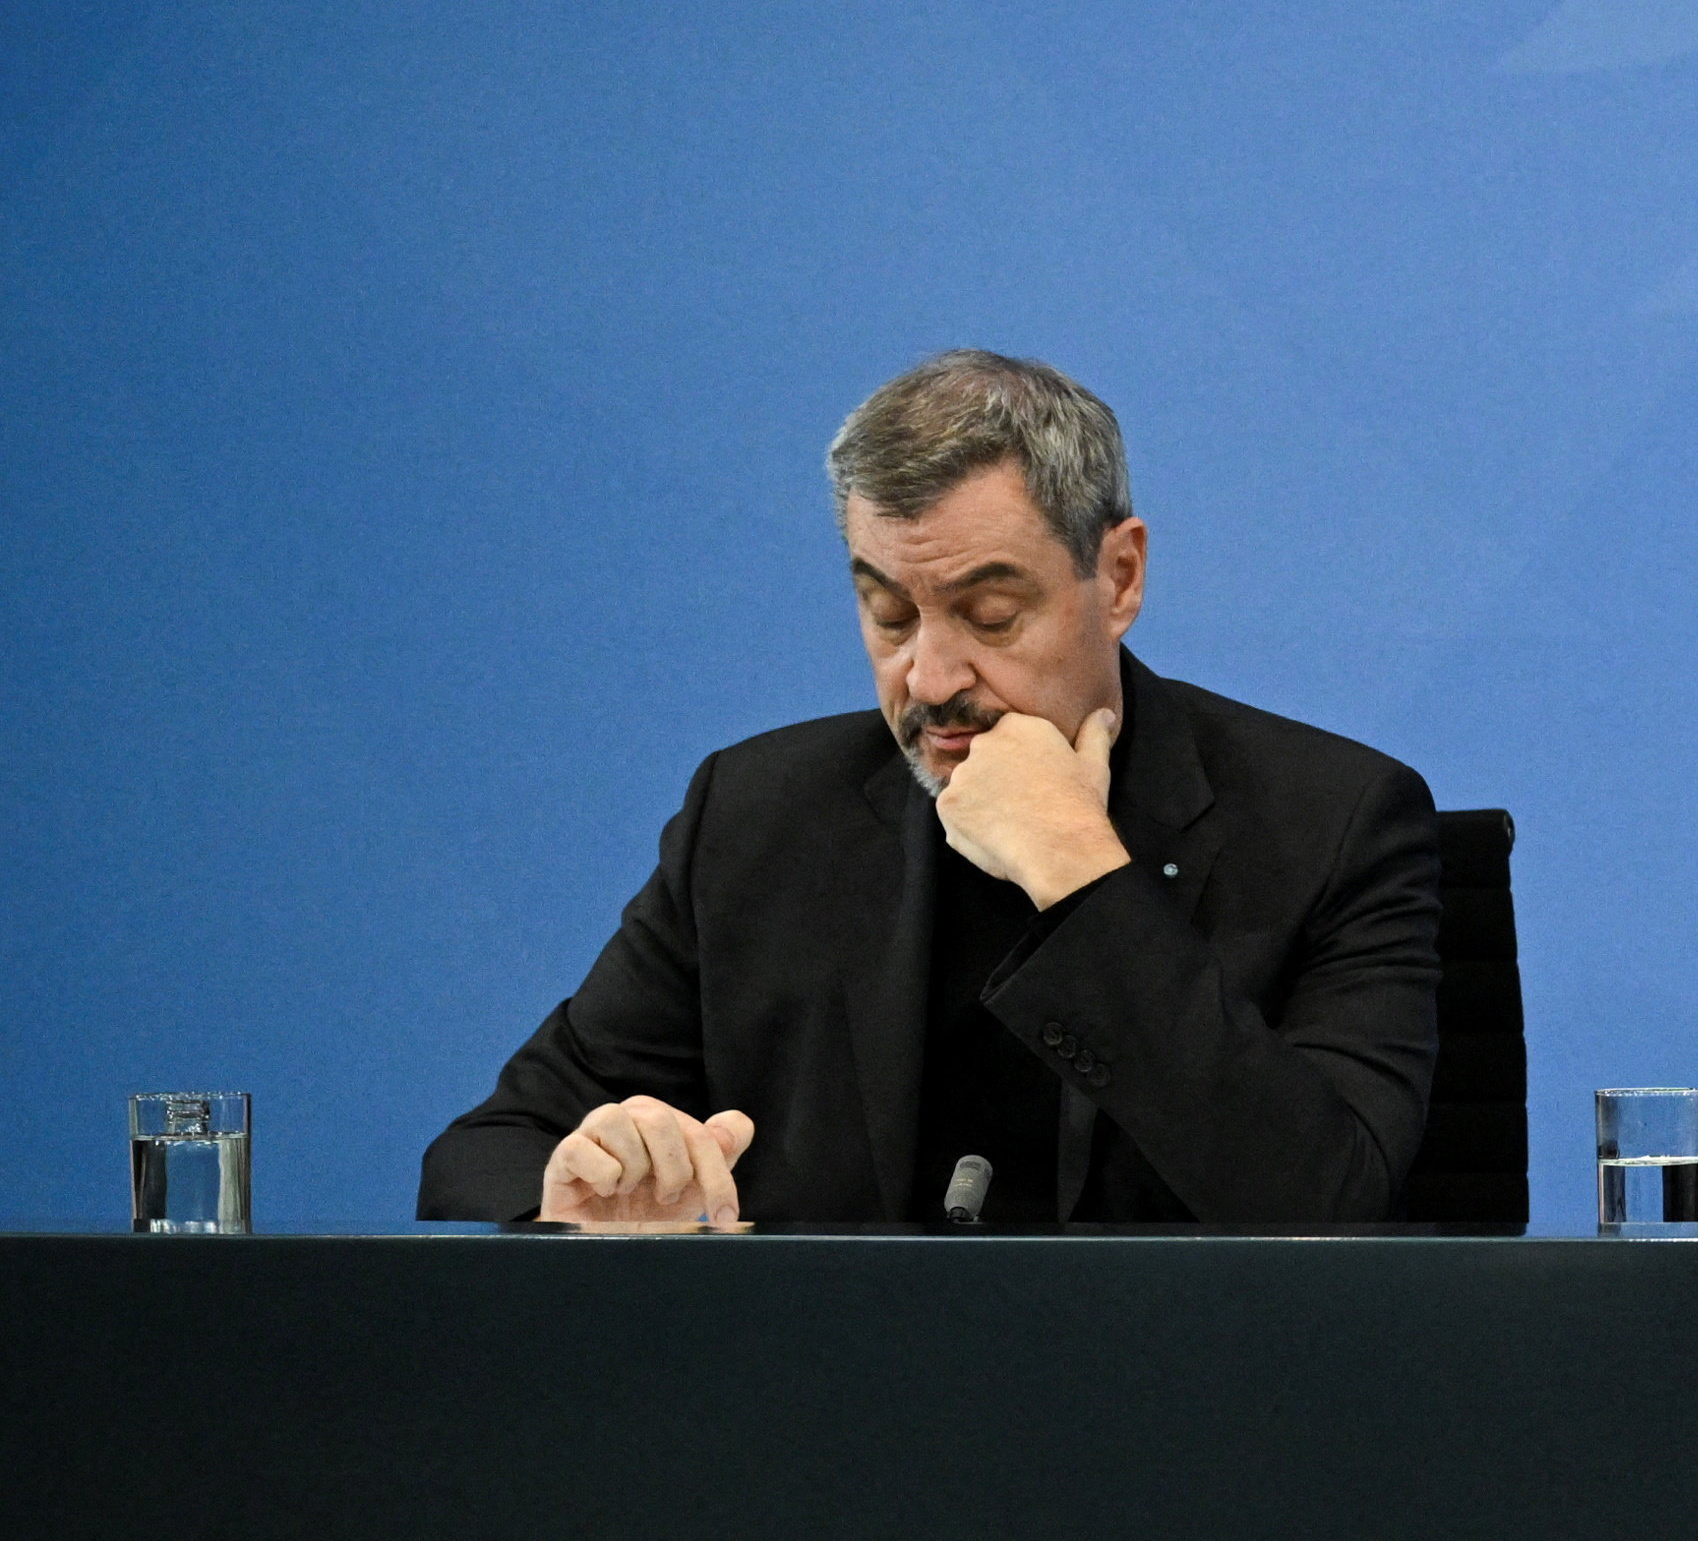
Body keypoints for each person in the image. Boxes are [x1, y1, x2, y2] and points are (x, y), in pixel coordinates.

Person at [420, 351, 1443, 1230]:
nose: (932, 677)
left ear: (1120, 576)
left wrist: (1081, 874)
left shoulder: (1334, 823)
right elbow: (481, 1158)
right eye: (889, 614)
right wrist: (569, 1206)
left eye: (990, 613)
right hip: (836, 1429)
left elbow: (1329, 1207)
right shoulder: (757, 817)